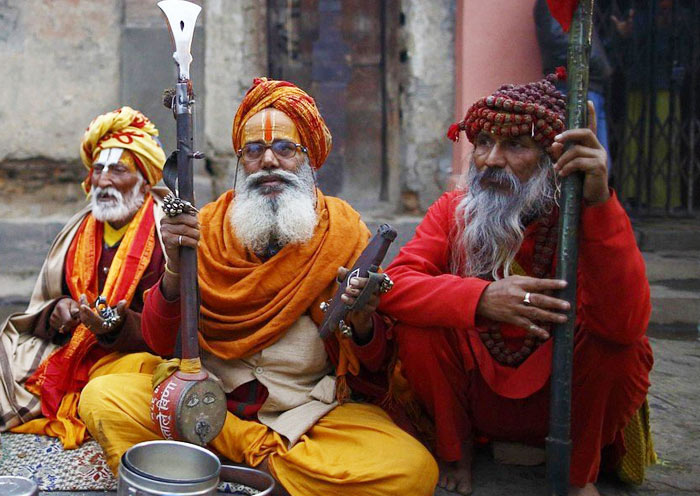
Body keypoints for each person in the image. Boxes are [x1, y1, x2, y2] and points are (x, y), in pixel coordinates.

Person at [77, 78, 438, 496]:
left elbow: (373, 369)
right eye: (254, 151)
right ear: (241, 161)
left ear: (309, 159)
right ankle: (270, 468)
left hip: (306, 411)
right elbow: (160, 341)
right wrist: (174, 268)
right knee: (103, 396)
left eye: (285, 149)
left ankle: (221, 460)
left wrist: (361, 322)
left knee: (411, 471)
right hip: (206, 398)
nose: (269, 161)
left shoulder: (341, 231)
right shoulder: (207, 225)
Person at [380, 74, 653, 496]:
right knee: (417, 328)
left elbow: (625, 325)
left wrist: (598, 202)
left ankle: (578, 475)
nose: (490, 159)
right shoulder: (453, 210)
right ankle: (456, 450)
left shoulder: (581, 214)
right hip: (477, 392)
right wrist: (482, 298)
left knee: (620, 348)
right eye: (484, 142)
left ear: (552, 160)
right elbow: (395, 283)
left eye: (515, 145)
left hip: (563, 396)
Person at [0, 107, 167, 449]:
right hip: (69, 348)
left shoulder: (168, 234)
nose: (103, 181)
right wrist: (58, 310)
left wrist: (117, 329)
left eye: (118, 170)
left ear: (144, 180)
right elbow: (45, 303)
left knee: (125, 387)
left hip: (131, 358)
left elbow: (174, 329)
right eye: (98, 169)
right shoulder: (77, 229)